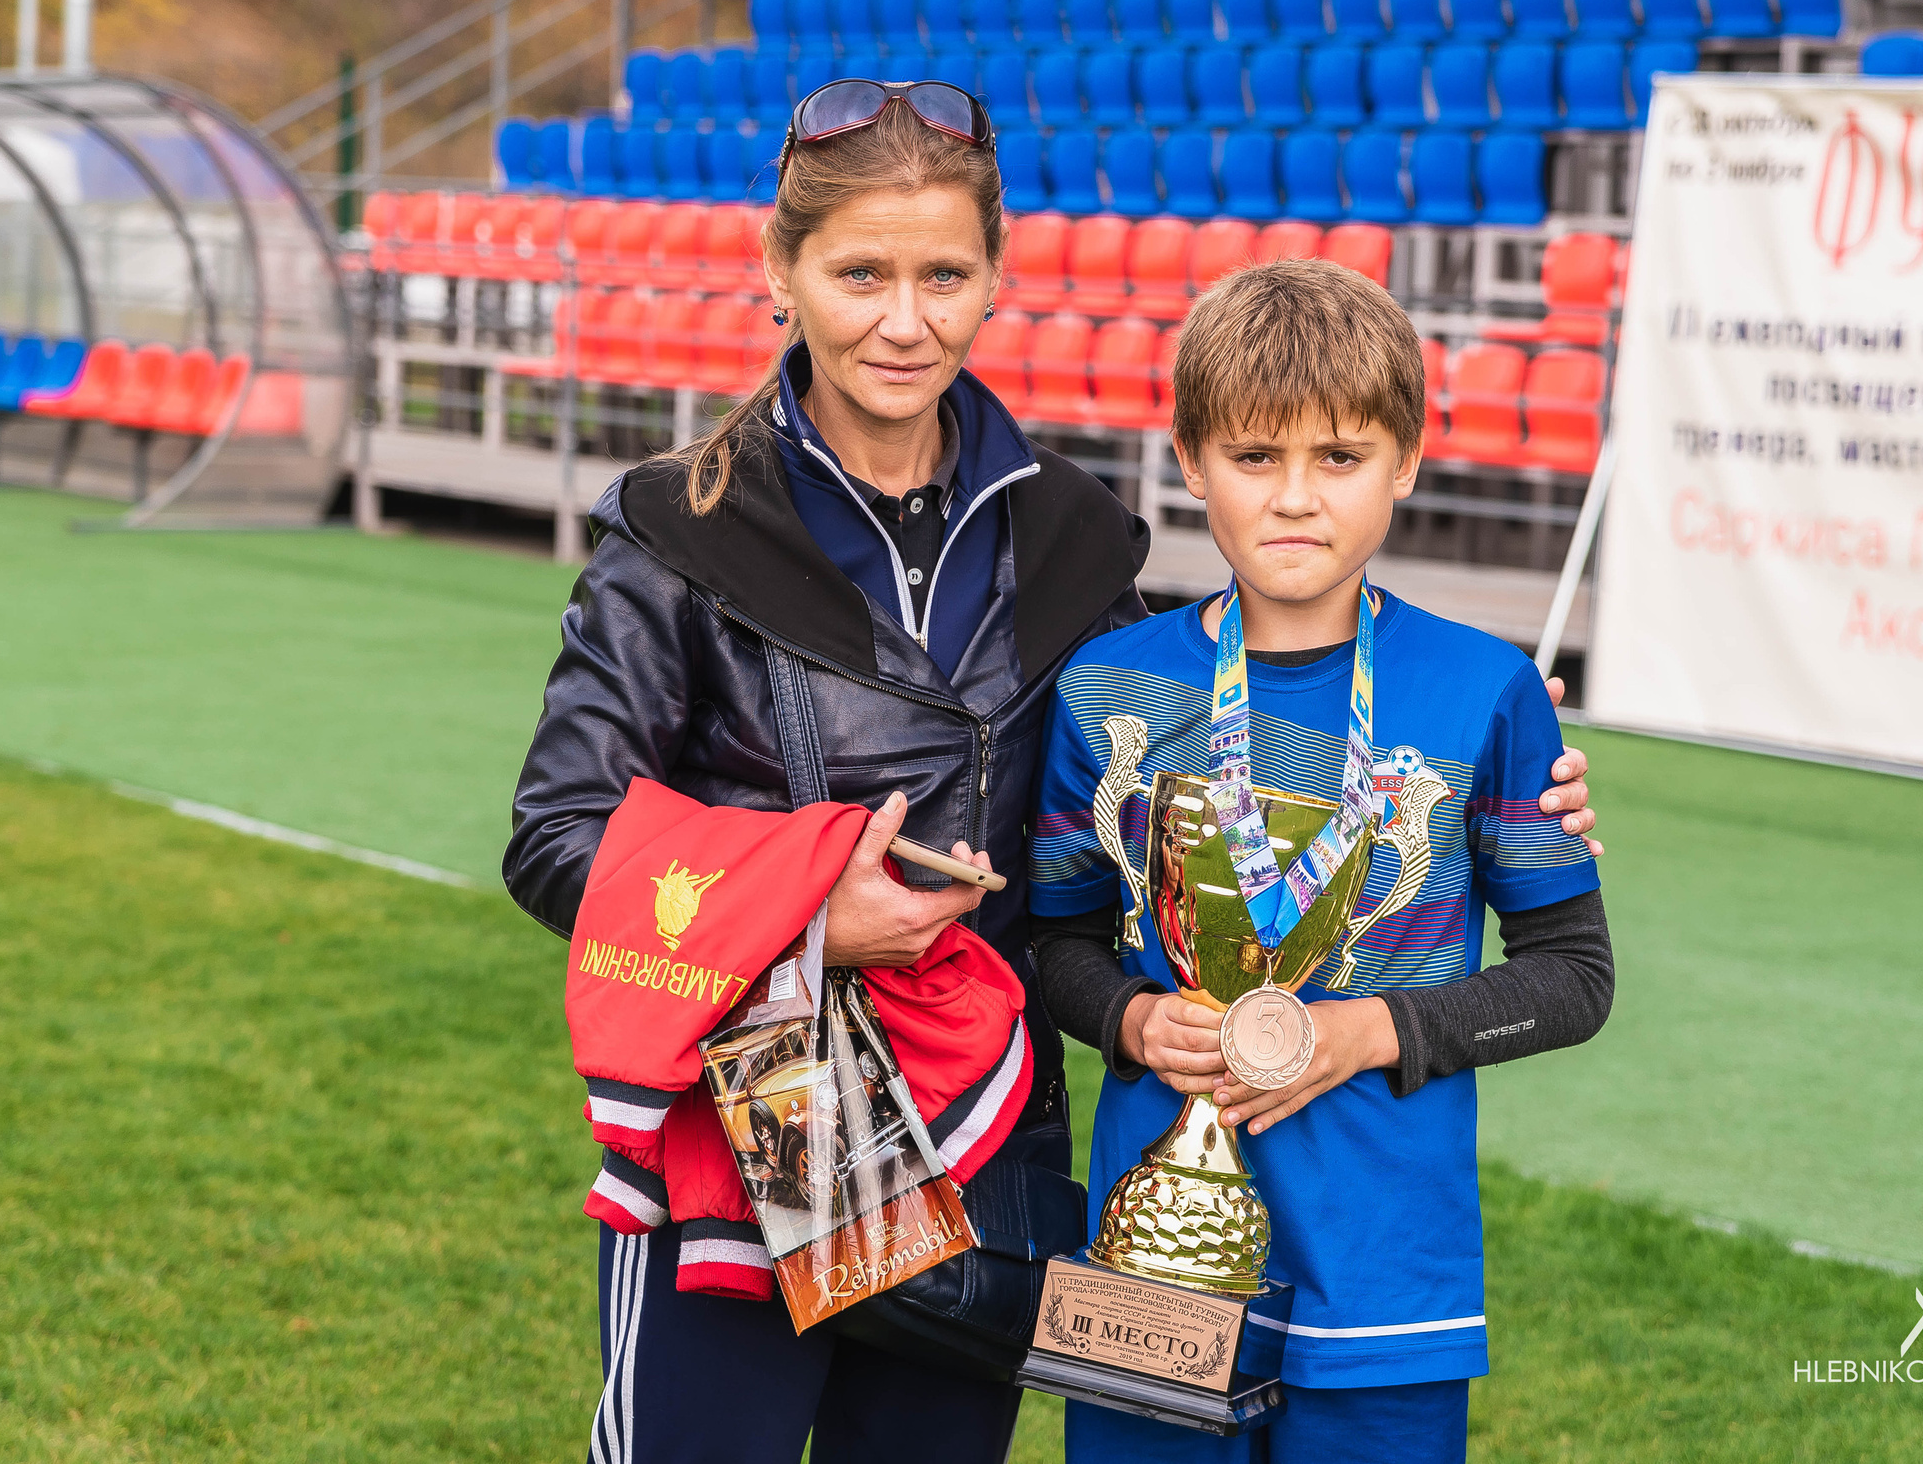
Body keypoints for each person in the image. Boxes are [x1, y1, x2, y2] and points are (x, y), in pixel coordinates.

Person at [502, 81, 1602, 1464]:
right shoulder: (677, 526)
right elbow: (559, 836)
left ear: (993, 281)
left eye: (944, 275)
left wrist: (1496, 742)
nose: (904, 320)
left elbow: (1211, 730)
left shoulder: (1077, 536)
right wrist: (802, 913)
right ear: (780, 273)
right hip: (760, 1107)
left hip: (982, 1128)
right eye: (860, 274)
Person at [1029, 260, 1615, 1464]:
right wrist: (1136, 1021)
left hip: (1386, 1270)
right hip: (1155, 1257)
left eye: (1339, 458)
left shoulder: (1485, 690)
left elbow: (1573, 976)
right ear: (1191, 462)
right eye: (1255, 457)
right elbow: (1052, 945)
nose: (1296, 498)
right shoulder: (1103, 689)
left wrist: (1365, 1034)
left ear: (1404, 462)